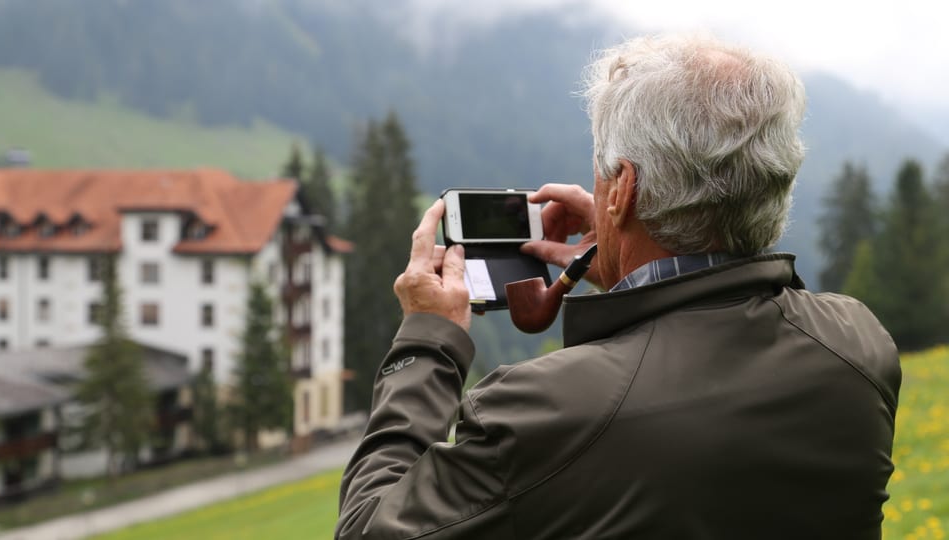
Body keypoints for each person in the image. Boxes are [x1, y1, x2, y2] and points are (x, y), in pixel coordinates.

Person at [335, 34, 900, 539]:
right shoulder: (857, 345)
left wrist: (428, 339)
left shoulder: (547, 409)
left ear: (622, 189)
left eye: (604, 171)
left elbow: (367, 528)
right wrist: (628, 260)